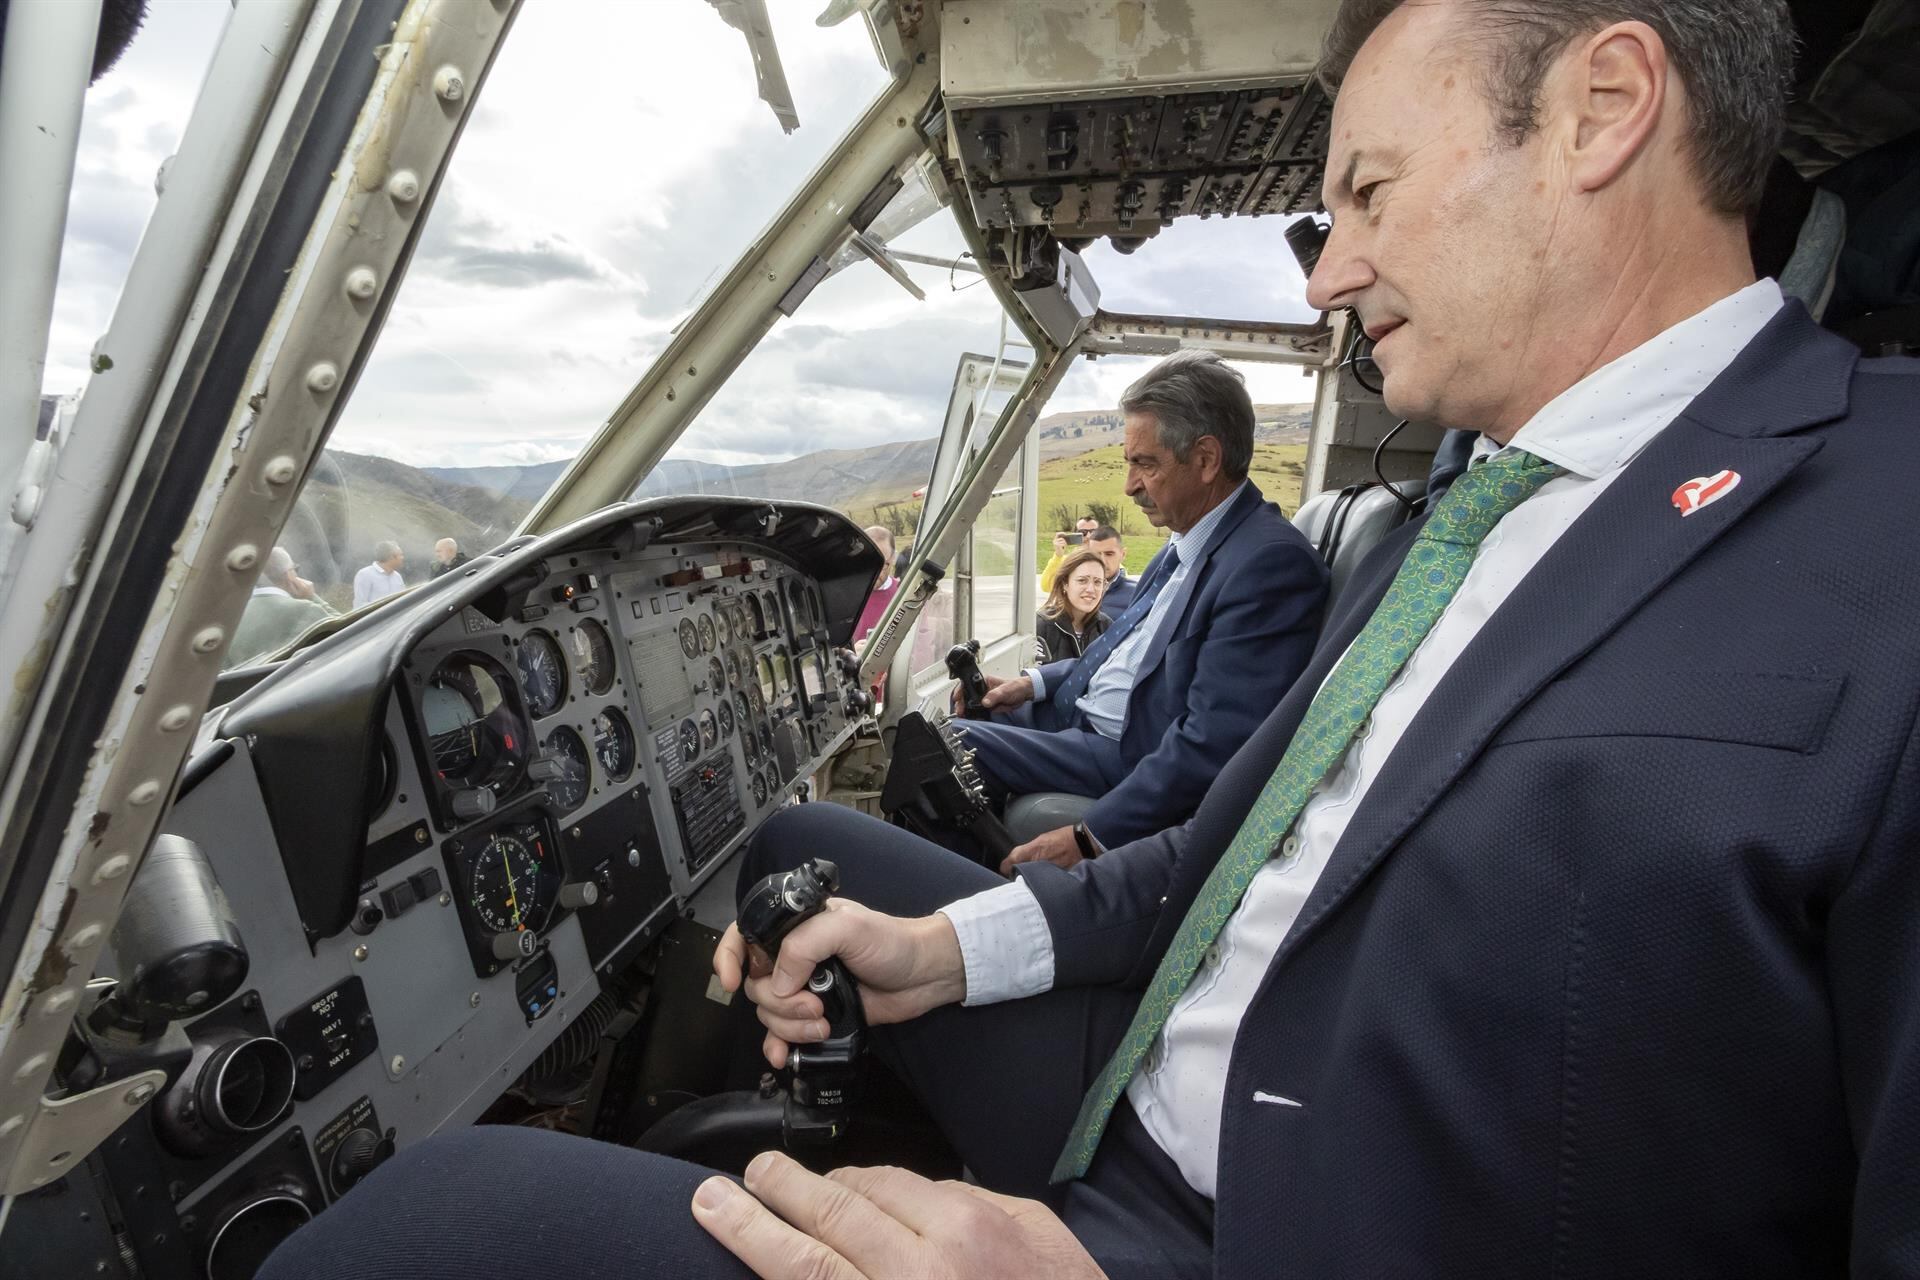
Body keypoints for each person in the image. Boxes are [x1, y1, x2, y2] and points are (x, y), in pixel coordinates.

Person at [260, 3, 1920, 1278]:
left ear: (1604, 112)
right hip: (1138, 1098)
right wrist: (947, 951)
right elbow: (1224, 851)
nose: (1330, 268)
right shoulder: (1458, 526)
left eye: (1367, 192)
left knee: (433, 1217)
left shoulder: (1883, 525)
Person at [953, 348, 1328, 869]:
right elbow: (1123, 657)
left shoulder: (1268, 565)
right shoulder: (1186, 544)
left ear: (1205, 459)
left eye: (1144, 464)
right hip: (1082, 720)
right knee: (970, 709)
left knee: (949, 746)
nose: (1129, 485)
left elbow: (1214, 743)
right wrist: (1032, 683)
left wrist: (1091, 837)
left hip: (1124, 752)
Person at [226, 547, 333, 667]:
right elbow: (348, 633)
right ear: (289, 575)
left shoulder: (230, 620)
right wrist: (312, 597)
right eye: (295, 569)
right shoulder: (305, 609)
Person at [1033, 549, 1110, 664]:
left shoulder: (1106, 627)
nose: (1090, 589)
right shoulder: (1041, 626)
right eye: (1082, 580)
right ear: (1065, 583)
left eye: (1097, 582)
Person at [854, 525, 899, 640]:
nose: (875, 571)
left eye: (883, 564)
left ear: (893, 558)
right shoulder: (845, 595)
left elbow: (921, 644)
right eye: (869, 562)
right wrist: (851, 650)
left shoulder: (904, 595)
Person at [1038, 514, 1101, 592]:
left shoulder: (1108, 559)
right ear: (1075, 535)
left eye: (1093, 532)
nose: (1088, 536)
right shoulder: (1066, 561)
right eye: (1083, 532)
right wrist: (1058, 556)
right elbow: (1046, 586)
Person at [1080, 525, 1135, 612]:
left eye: (1109, 554)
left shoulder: (1136, 594)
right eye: (1096, 554)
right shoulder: (1074, 589)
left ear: (1123, 554)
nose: (1103, 561)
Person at [351, 540, 406, 608]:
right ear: (392, 557)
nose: (403, 558)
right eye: (401, 555)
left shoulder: (397, 577)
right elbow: (359, 605)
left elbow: (404, 601)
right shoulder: (365, 574)